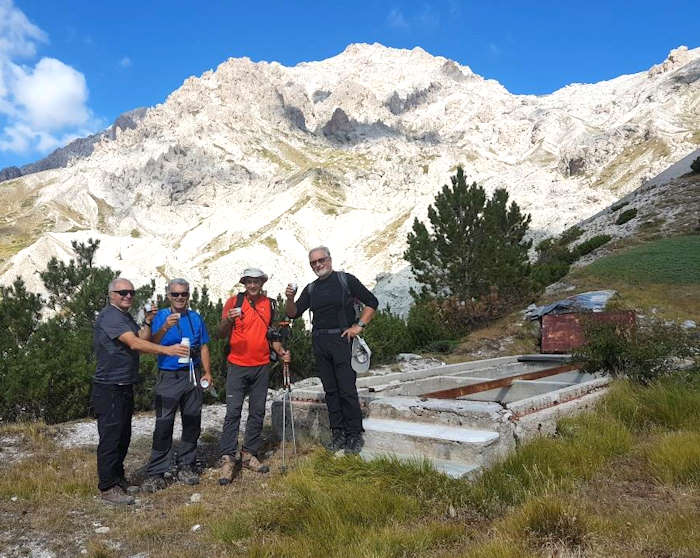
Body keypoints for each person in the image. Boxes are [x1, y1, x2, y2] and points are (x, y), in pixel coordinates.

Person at [92, 277, 188, 505]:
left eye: (131, 292)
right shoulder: (110, 316)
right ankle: (107, 487)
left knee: (123, 435)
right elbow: (135, 345)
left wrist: (148, 322)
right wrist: (168, 350)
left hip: (124, 383)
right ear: (111, 294)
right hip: (109, 386)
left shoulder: (123, 316)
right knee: (111, 436)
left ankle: (118, 480)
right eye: (122, 292)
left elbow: (141, 339)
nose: (128, 296)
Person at [285, 246, 378, 455]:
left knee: (347, 389)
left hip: (343, 340)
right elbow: (293, 314)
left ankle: (354, 435)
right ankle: (338, 434)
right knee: (331, 391)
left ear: (330, 259)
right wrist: (290, 298)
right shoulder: (311, 288)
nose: (318, 265)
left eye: (321, 260)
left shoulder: (346, 280)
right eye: (314, 262)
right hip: (320, 342)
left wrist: (359, 326)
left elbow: (372, 302)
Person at [217, 268, 291, 484]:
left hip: (261, 365)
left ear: (262, 283)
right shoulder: (233, 302)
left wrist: (281, 352)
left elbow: (271, 335)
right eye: (248, 282)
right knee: (233, 412)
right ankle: (228, 458)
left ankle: (249, 454)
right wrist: (228, 321)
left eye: (256, 282)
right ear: (244, 283)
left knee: (257, 411)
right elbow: (220, 333)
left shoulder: (269, 304)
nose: (252, 285)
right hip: (237, 365)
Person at [141, 278, 214, 492]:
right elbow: (149, 343)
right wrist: (164, 327)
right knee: (164, 423)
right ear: (168, 296)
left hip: (192, 375)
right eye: (175, 294)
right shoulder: (160, 316)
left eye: (183, 294)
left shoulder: (195, 318)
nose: (180, 298)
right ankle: (157, 471)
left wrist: (208, 372)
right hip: (168, 376)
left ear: (188, 295)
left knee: (192, 421)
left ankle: (186, 465)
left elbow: (204, 347)